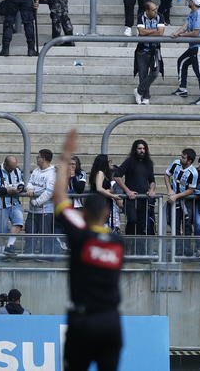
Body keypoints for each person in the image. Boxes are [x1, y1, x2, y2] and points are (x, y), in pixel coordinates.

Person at [53, 129, 125, 371]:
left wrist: (65, 158)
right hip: (112, 321)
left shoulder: (81, 234)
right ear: (106, 214)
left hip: (84, 319)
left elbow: (59, 198)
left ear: (83, 214)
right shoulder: (117, 242)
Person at [171, 0, 200, 105]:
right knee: (182, 61)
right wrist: (176, 33)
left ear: (193, 3)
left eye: (189, 0)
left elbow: (196, 33)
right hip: (194, 46)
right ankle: (182, 88)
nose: (188, 1)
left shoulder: (199, 13)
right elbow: (185, 26)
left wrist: (181, 36)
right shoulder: (192, 13)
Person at [114, 139, 156, 240]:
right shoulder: (129, 161)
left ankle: (139, 251)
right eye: (139, 148)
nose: (142, 151)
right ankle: (129, 245)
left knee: (142, 225)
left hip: (143, 199)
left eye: (143, 148)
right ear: (135, 149)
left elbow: (152, 180)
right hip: (130, 199)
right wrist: (127, 191)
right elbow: (117, 176)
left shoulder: (149, 163)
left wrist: (151, 190)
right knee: (132, 220)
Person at [0, 155, 24, 257]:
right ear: (5, 164)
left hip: (14, 203)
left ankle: (9, 246)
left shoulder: (17, 170)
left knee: (19, 222)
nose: (13, 170)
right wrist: (7, 190)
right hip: (0, 205)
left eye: (14, 167)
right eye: (11, 168)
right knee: (1, 231)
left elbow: (21, 182)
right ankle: (2, 253)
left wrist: (20, 188)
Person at [25, 148, 57, 255]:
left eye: (38, 157)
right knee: (30, 233)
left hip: (46, 211)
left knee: (45, 235)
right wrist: (29, 188)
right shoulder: (36, 170)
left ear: (43, 159)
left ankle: (45, 256)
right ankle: (28, 255)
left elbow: (49, 192)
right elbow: (30, 182)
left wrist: (36, 202)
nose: (36, 159)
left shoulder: (52, 173)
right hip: (32, 211)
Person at [133, 1, 164, 105]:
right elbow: (141, 32)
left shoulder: (160, 16)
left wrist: (147, 32)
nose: (156, 11)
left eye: (156, 9)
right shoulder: (141, 16)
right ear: (147, 10)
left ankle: (138, 91)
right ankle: (145, 97)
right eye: (153, 10)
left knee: (155, 72)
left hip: (155, 50)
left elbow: (161, 33)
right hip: (142, 50)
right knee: (143, 74)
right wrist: (155, 30)